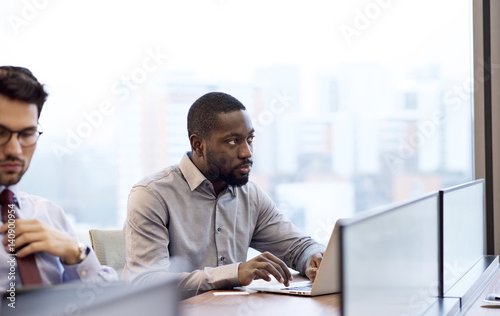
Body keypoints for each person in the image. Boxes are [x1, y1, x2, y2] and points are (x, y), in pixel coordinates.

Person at [123, 92, 325, 297]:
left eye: (249, 139)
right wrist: (235, 273)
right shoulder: (151, 195)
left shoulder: (250, 195)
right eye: (232, 141)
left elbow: (298, 247)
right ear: (198, 145)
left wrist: (314, 258)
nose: (247, 152)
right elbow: (146, 282)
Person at [0, 66, 117, 292]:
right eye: (0, 132)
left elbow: (109, 299)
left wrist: (75, 253)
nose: (15, 149)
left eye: (26, 134)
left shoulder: (50, 214)